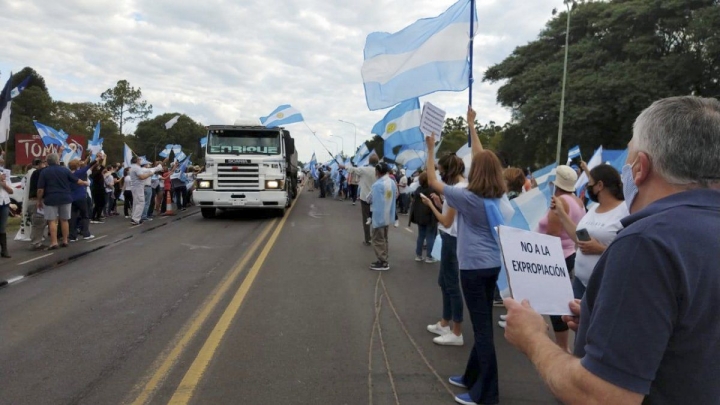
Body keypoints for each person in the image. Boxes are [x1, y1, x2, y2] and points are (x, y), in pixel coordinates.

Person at [504, 96, 720, 405]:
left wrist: (533, 338)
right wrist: (599, 316)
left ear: (641, 167)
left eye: (629, 159)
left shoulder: (647, 243)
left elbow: (602, 396)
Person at [425, 106, 509, 405]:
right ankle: (472, 376)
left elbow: (433, 181)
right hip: (491, 266)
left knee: (483, 332)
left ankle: (486, 394)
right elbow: (483, 155)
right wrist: (472, 126)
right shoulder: (497, 194)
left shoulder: (467, 197)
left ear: (476, 171)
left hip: (473, 268)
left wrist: (431, 149)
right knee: (483, 323)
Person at [551, 163, 627, 298]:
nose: (587, 187)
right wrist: (561, 214)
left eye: (589, 183)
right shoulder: (594, 208)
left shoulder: (625, 211)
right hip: (580, 283)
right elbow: (579, 238)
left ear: (600, 186)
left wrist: (600, 249)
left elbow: (628, 252)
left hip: (603, 286)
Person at [535, 164, 585, 353]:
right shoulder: (577, 201)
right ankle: (561, 344)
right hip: (568, 253)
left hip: (557, 256)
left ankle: (562, 346)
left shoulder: (560, 201)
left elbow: (553, 235)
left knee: (555, 304)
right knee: (554, 300)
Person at [422, 153, 467, 347]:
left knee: (451, 285)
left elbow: (447, 221)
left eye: (441, 172)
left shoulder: (457, 189)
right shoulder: (461, 186)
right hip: (452, 237)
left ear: (448, 171)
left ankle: (456, 331)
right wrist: (441, 203)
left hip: (452, 238)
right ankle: (445, 322)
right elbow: (453, 215)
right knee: (444, 281)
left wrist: (432, 205)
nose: (440, 177)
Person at [37, 153, 89, 249]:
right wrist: (84, 183)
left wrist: (39, 200)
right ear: (57, 161)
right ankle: (65, 240)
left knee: (52, 221)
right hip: (65, 197)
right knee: (64, 220)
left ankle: (54, 242)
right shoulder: (65, 170)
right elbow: (77, 181)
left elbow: (40, 189)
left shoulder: (44, 172)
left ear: (47, 162)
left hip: (51, 198)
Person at [342, 154, 380, 246]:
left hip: (365, 198)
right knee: (376, 219)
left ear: (369, 161)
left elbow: (353, 170)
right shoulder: (380, 171)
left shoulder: (364, 169)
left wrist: (343, 166)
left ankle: (368, 239)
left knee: (366, 219)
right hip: (377, 199)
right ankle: (376, 238)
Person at [367, 162, 396, 271]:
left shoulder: (377, 185)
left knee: (377, 239)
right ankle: (384, 258)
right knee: (384, 239)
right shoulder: (392, 182)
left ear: (378, 172)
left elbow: (369, 198)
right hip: (388, 215)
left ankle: (383, 262)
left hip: (378, 217)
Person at [409, 172, 438, 263]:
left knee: (421, 236)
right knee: (430, 236)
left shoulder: (418, 190)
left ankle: (418, 255)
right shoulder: (433, 190)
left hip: (420, 217)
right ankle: (429, 256)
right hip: (430, 217)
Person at [68, 158, 97, 242]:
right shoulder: (79, 172)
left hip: (71, 197)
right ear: (77, 166)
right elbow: (88, 166)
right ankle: (86, 233)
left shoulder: (68, 174)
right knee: (85, 215)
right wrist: (96, 159)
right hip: (81, 196)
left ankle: (72, 236)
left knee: (73, 217)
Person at [130, 157, 161, 226]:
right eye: (140, 160)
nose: (141, 161)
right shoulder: (137, 168)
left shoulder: (133, 167)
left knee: (136, 202)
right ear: (137, 160)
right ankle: (136, 219)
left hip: (135, 187)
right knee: (141, 202)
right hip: (138, 187)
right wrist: (150, 174)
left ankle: (134, 217)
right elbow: (142, 177)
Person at [27, 159, 48, 250]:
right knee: (38, 221)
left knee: (39, 222)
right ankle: (35, 243)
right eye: (44, 163)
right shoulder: (39, 173)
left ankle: (36, 241)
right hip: (37, 200)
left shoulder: (36, 173)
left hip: (33, 200)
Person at [0, 155, 14, 258]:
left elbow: (11, 191)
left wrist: (4, 185)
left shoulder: (5, 174)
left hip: (4, 202)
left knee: (2, 227)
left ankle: (4, 249)